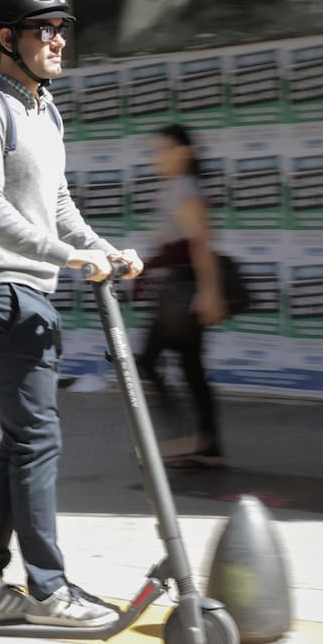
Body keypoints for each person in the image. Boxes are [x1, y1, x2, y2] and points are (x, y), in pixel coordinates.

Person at [0, 0, 144, 628]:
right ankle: (48, 590)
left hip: (30, 295)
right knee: (38, 440)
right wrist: (66, 257)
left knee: (20, 443)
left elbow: (56, 205)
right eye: (43, 29)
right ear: (6, 38)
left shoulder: (43, 109)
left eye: (61, 28)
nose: (58, 39)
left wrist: (103, 247)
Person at [137, 124, 227, 469]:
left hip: (183, 290)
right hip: (178, 287)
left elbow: (201, 245)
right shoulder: (173, 188)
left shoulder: (185, 188)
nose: (157, 157)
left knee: (149, 359)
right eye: (155, 150)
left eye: (164, 150)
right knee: (192, 369)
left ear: (184, 153)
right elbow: (170, 241)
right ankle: (208, 444)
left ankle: (188, 438)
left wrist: (209, 293)